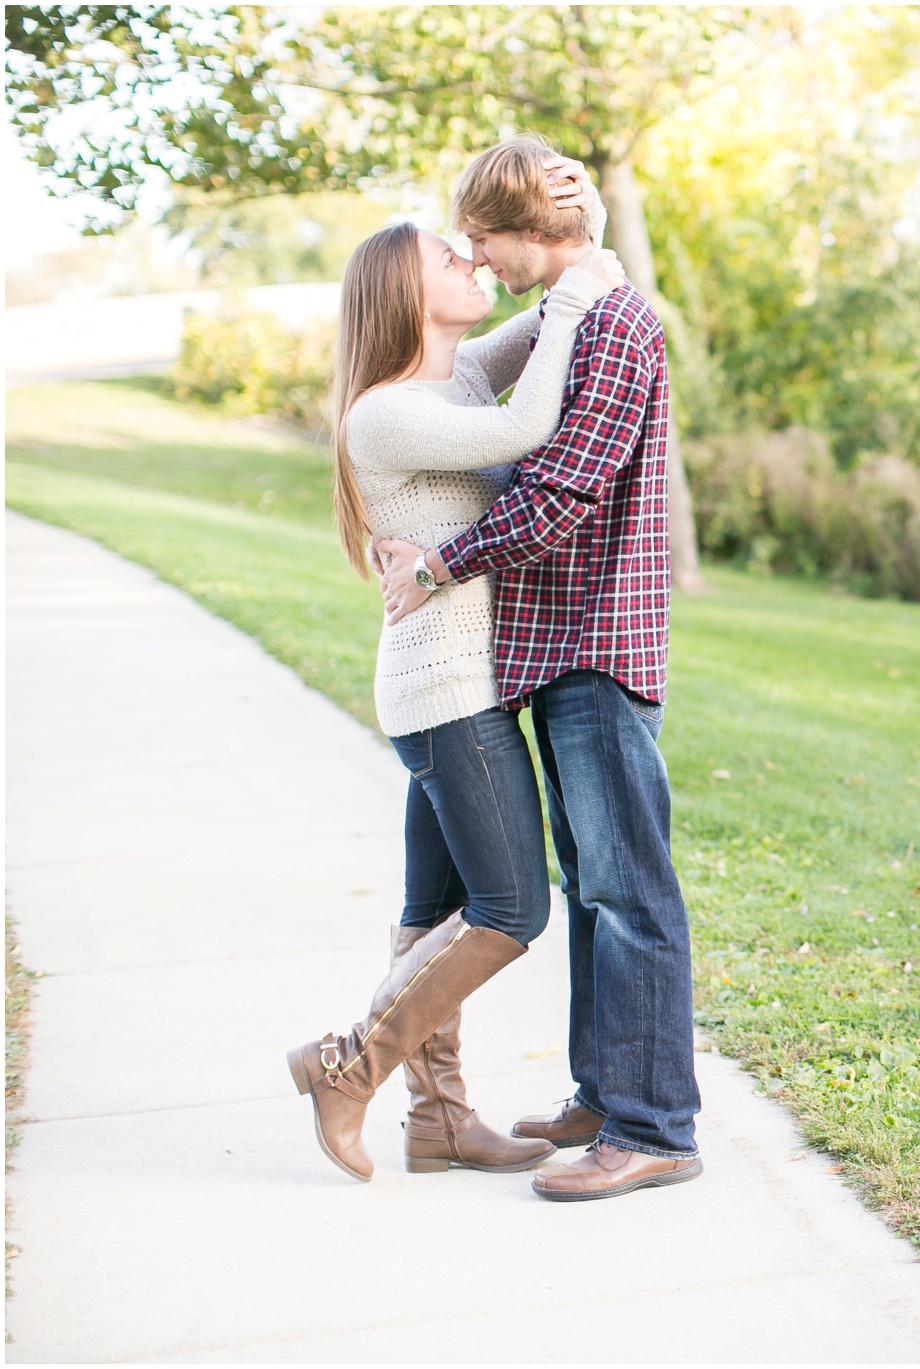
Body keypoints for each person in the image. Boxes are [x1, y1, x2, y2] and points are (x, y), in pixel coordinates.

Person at [374, 134, 704, 1203]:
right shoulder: (578, 318)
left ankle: (655, 1126)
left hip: (598, 648)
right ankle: (605, 1095)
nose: (480, 261)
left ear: (530, 236)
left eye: (485, 242)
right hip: (550, 648)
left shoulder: (614, 324)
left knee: (627, 887)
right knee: (593, 888)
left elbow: (558, 490)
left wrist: (438, 564)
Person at [286, 158, 625, 1182]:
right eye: (450, 251)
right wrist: (568, 293)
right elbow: (532, 417)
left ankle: (438, 1122)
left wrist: (579, 221)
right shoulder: (387, 410)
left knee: (428, 914)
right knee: (513, 909)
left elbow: (574, 277)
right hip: (449, 695)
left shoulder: (459, 369)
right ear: (405, 289)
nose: (472, 253)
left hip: (450, 688)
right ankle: (355, 1062)